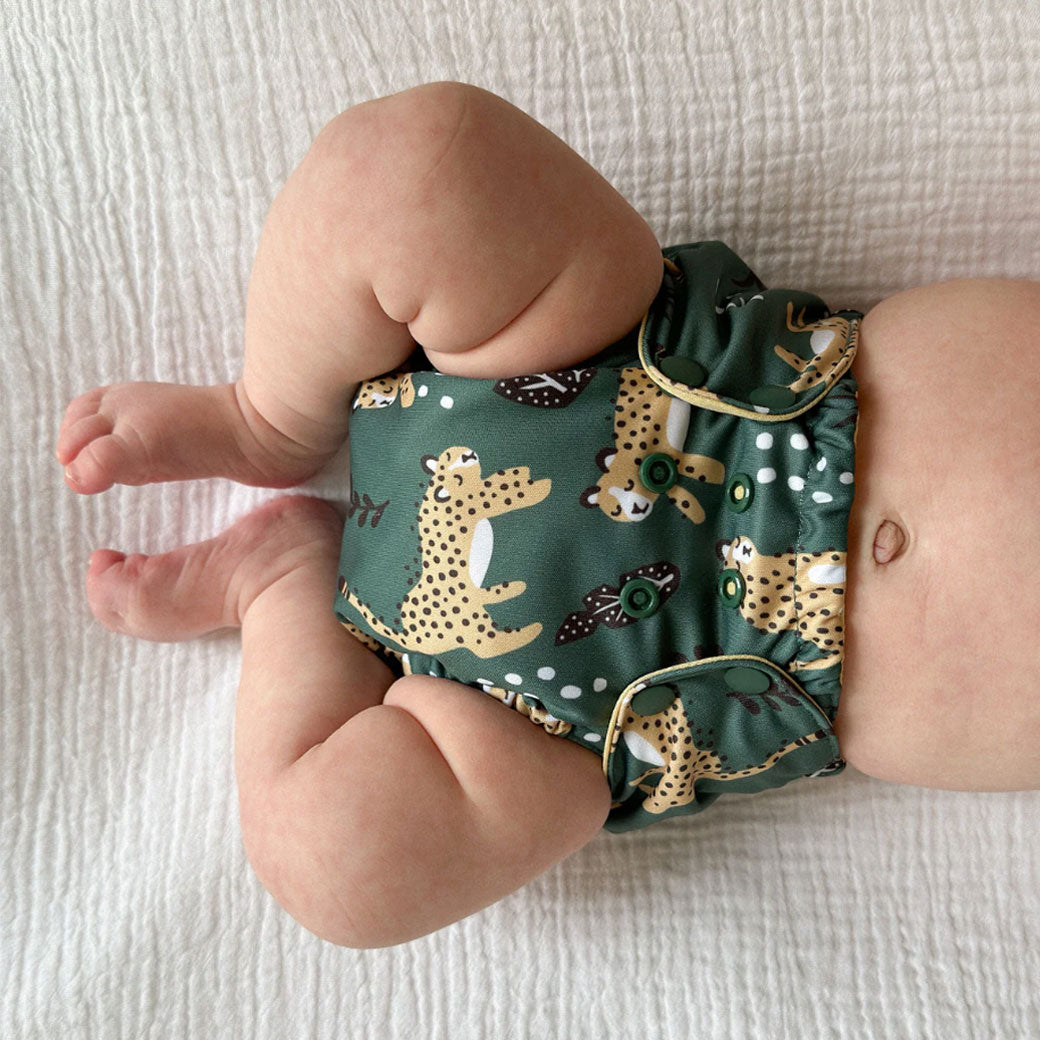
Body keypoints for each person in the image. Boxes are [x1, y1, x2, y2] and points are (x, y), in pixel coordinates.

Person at [56, 82, 1040, 948]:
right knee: (416, 165)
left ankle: (278, 587)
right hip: (632, 366)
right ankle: (267, 418)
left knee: (338, 861)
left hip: (566, 715)